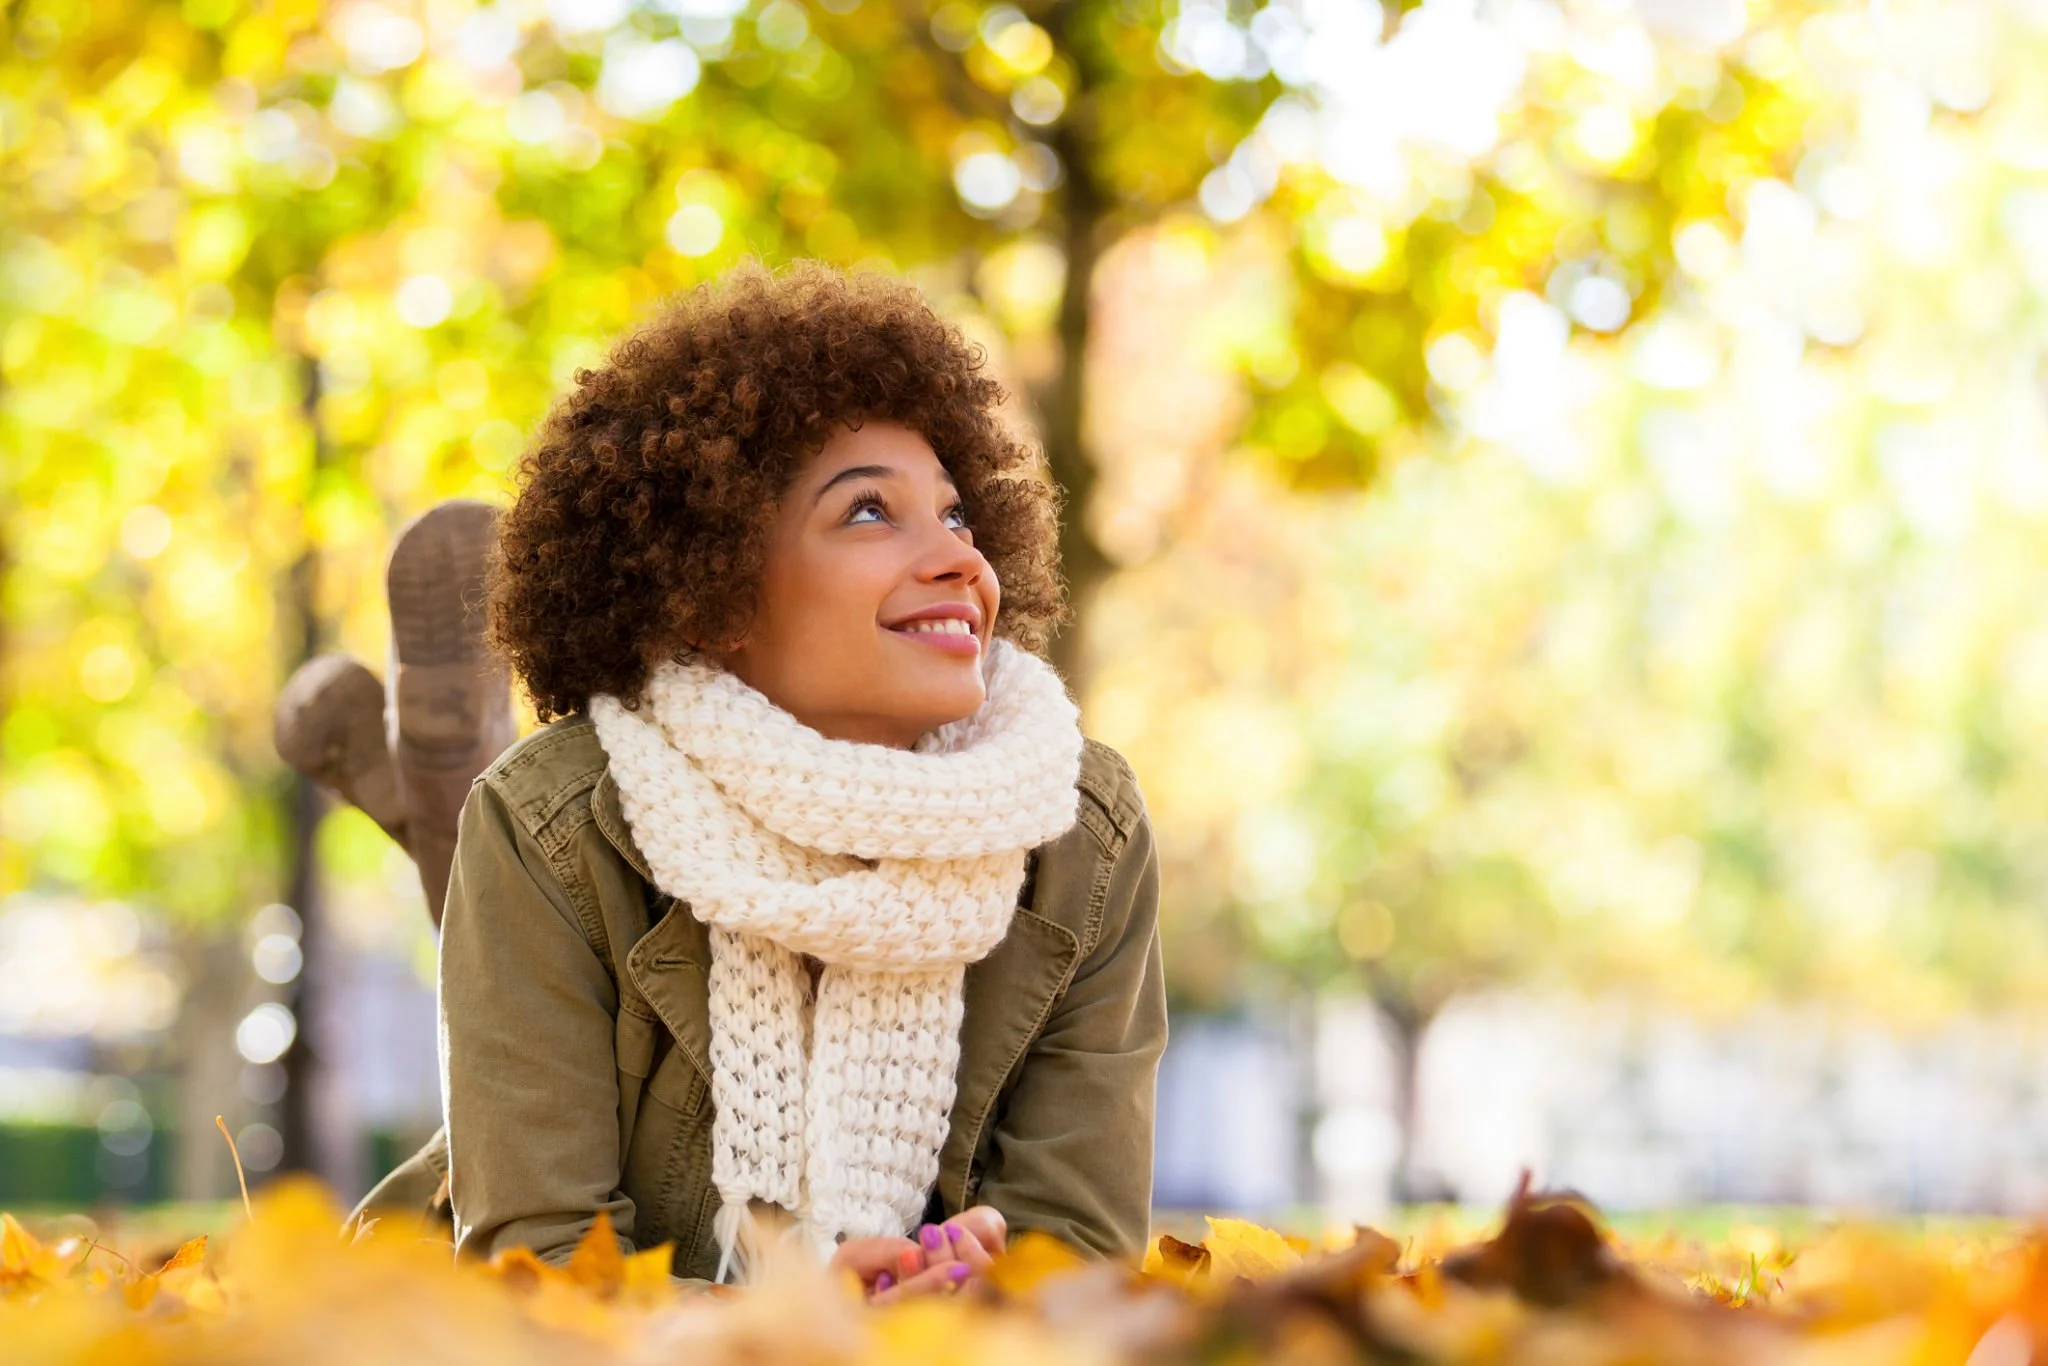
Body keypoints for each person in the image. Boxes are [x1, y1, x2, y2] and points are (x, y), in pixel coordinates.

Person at [345, 259, 1168, 1299]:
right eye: (870, 511)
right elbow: (541, 1268)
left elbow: (1077, 1249)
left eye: (957, 517)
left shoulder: (1077, 831)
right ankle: (437, 734)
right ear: (711, 592)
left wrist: (981, 1308)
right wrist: (788, 1319)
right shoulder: (549, 822)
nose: (959, 559)